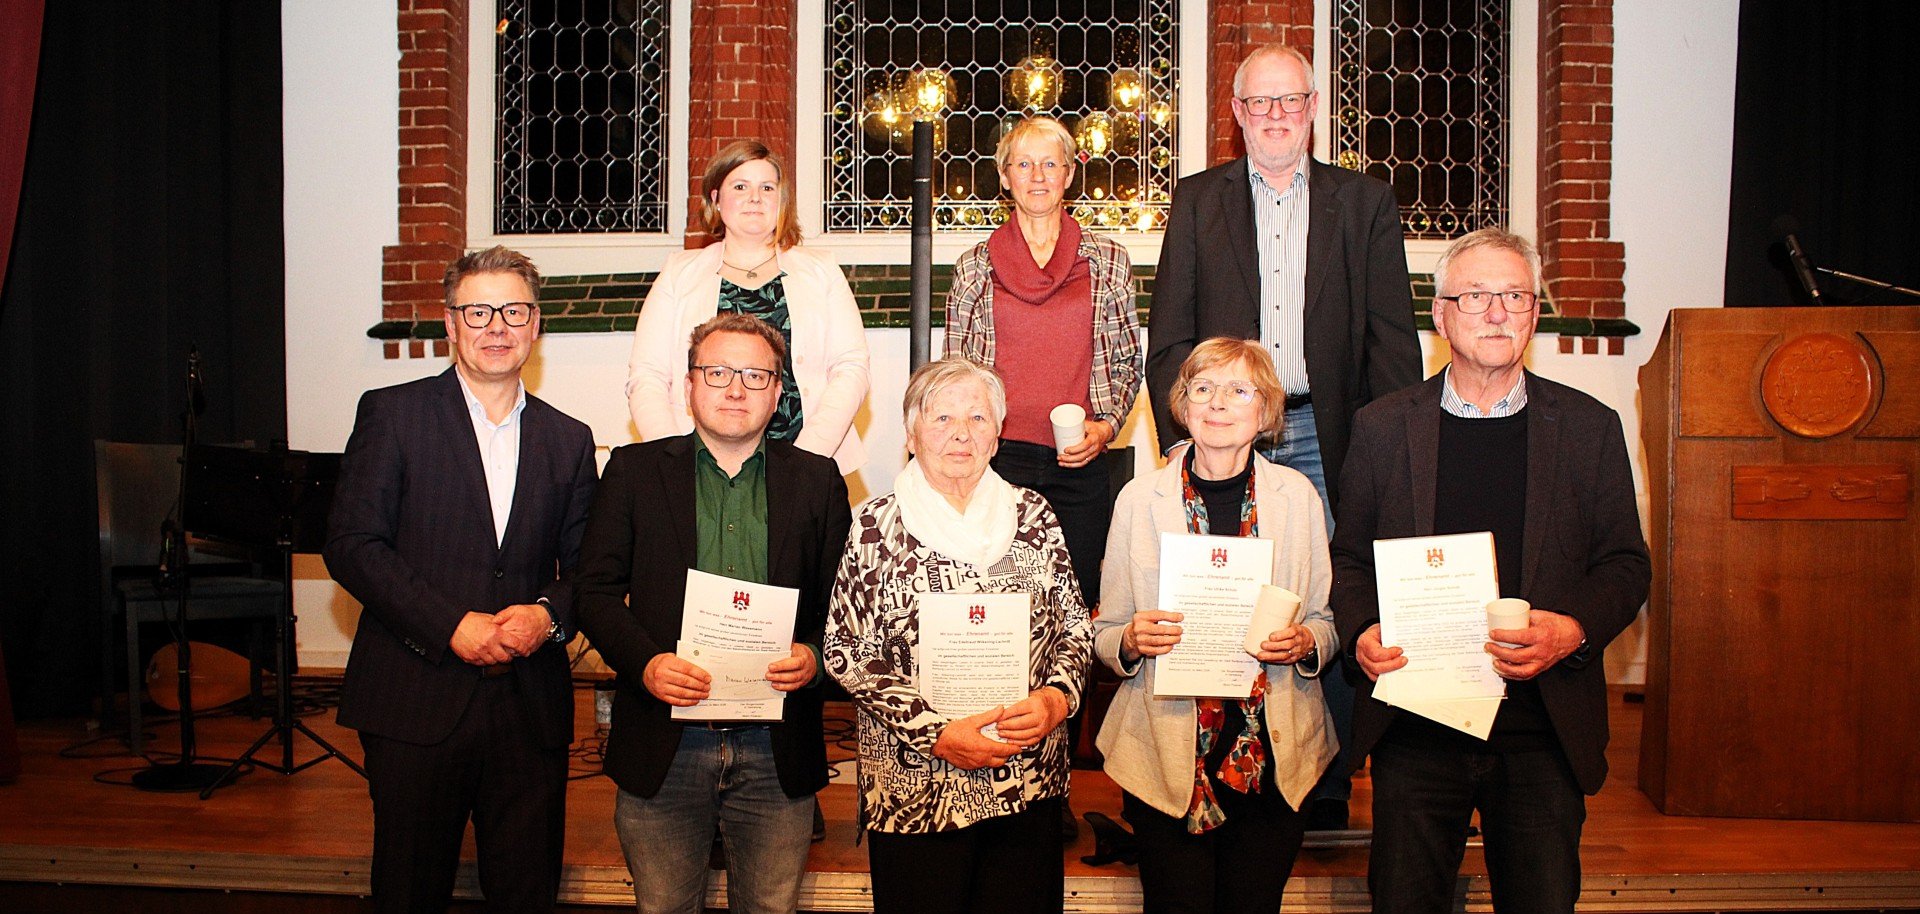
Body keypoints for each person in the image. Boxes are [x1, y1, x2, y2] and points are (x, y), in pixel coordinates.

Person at [1329, 228, 1651, 913]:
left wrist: (1571, 630)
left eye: (1515, 296)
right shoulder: (1383, 427)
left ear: (1534, 314)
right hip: (1417, 723)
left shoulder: (1589, 428)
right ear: (1441, 316)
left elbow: (1625, 565)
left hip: (1541, 728)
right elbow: (1349, 558)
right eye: (1476, 296)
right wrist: (1360, 632)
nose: (1498, 312)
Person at [1144, 43, 1422, 829]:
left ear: (1312, 108)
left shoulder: (1364, 203)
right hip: (1227, 429)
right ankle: (1224, 763)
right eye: (1259, 102)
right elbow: (1170, 336)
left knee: (1326, 593)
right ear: (1236, 113)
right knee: (1226, 593)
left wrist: (1391, 449)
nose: (1275, 115)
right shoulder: (1198, 201)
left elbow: (1391, 339)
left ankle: (1322, 778)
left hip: (1333, 433)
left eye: (1290, 100)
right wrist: (1185, 434)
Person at [325, 245, 598, 913]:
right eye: (478, 311)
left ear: (536, 325)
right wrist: (450, 624)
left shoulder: (569, 439)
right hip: (415, 697)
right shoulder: (393, 414)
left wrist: (546, 615)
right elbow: (353, 546)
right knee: (409, 891)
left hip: (529, 708)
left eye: (514, 311)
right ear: (450, 324)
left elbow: (589, 568)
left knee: (526, 893)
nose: (496, 326)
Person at [576, 312, 852, 914]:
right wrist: (646, 663)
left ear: (778, 393)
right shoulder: (633, 471)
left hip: (776, 746)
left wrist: (813, 656)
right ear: (689, 384)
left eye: (756, 376)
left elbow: (844, 605)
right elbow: (593, 592)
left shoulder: (818, 481)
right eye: (718, 372)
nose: (735, 389)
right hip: (664, 743)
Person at [824, 358, 1092, 914]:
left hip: (1025, 776)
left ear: (998, 435)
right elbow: (846, 650)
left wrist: (1056, 699)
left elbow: (1074, 626)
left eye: (978, 417)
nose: (961, 433)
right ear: (910, 434)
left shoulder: (1035, 515)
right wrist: (936, 733)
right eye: (942, 417)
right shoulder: (874, 525)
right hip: (916, 785)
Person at [1093, 339, 1338, 913]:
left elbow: (1325, 622)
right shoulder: (1138, 499)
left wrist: (1306, 642)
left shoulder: (1298, 497)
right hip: (1165, 753)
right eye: (1202, 388)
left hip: (1273, 754)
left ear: (1266, 408)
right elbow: (1105, 632)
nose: (1218, 403)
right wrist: (1130, 640)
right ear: (1183, 406)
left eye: (1238, 390)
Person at [944, 114, 1142, 609]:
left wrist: (1107, 427)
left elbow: (1126, 360)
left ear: (1069, 174)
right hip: (995, 463)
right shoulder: (974, 266)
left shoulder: (1108, 261)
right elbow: (953, 376)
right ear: (1004, 176)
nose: (1037, 176)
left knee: (1074, 602)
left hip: (1079, 462)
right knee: (996, 604)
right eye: (1024, 164)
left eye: (1050, 164)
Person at [628, 139, 871, 475]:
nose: (755, 198)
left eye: (767, 188)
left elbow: (852, 368)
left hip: (806, 462)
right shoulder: (678, 274)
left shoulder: (822, 270)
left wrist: (808, 459)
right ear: (716, 198)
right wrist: (676, 460)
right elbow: (647, 376)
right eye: (740, 186)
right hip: (698, 467)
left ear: (781, 200)